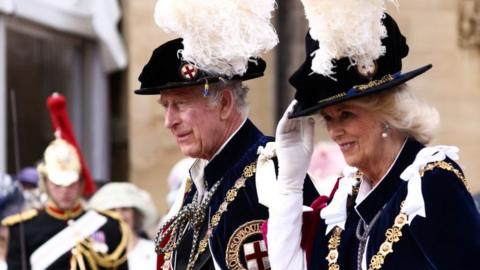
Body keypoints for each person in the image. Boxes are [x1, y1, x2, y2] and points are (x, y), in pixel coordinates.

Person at [267, 7, 480, 270]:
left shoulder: (431, 184)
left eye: (346, 115)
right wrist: (290, 181)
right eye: (328, 119)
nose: (334, 132)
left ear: (385, 113)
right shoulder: (347, 198)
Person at [135, 1, 318, 269]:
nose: (169, 122)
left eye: (181, 105)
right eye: (166, 107)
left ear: (224, 104)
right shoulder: (198, 182)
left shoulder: (272, 170)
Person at [2, 94, 129, 270]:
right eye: (58, 185)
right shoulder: (23, 230)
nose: (64, 191)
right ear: (45, 182)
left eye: (71, 184)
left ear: (81, 183)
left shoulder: (108, 225)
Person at [88, 182, 158, 270]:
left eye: (125, 209)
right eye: (112, 210)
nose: (119, 215)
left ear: (135, 214)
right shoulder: (95, 253)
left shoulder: (154, 251)